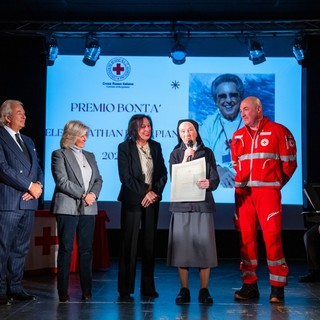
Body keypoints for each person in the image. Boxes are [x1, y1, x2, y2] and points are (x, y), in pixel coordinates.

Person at [231, 96, 297, 303]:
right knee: (246, 240)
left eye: (246, 109)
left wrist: (274, 184)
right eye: (241, 110)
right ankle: (249, 285)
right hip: (243, 195)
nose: (242, 113)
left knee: (272, 238)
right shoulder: (237, 136)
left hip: (267, 194)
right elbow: (236, 165)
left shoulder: (279, 131)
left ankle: (277, 288)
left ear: (259, 109)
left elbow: (289, 165)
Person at [167, 119, 220, 305]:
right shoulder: (175, 154)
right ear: (179, 134)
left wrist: (209, 183)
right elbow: (174, 178)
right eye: (182, 131)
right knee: (182, 249)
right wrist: (185, 159)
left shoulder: (207, 153)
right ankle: (184, 289)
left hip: (202, 206)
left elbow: (215, 179)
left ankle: (204, 290)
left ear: (196, 132)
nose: (187, 133)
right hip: (182, 207)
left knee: (204, 249)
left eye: (190, 130)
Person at [50, 120, 103, 302]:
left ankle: (87, 290)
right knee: (66, 249)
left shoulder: (90, 155)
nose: (85, 138)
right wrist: (83, 195)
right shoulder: (59, 154)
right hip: (67, 207)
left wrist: (92, 195)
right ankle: (63, 291)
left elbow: (98, 180)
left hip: (89, 208)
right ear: (71, 135)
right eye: (81, 135)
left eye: (86, 135)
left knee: (86, 250)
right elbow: (62, 181)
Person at [117, 114, 167, 302]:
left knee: (149, 244)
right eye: (142, 126)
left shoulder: (156, 146)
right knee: (129, 245)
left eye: (149, 126)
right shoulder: (124, 148)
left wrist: (155, 193)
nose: (147, 129)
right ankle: (125, 288)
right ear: (134, 129)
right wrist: (145, 192)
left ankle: (147, 287)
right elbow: (126, 177)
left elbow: (162, 173)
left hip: (152, 202)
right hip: (132, 201)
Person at [0, 99, 43, 305]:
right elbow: (3, 168)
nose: (24, 116)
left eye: (24, 113)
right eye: (19, 113)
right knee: (3, 247)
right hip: (9, 202)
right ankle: (0, 290)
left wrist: (39, 187)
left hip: (28, 203)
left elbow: (38, 169)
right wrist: (29, 186)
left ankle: (15, 287)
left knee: (20, 248)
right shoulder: (0, 136)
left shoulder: (28, 140)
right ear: (7, 117)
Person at [200, 73, 244, 188]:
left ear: (240, 98)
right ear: (216, 101)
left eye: (233, 95)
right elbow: (199, 156)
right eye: (223, 96)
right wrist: (218, 170)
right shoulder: (207, 126)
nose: (228, 100)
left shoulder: (253, 124)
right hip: (218, 187)